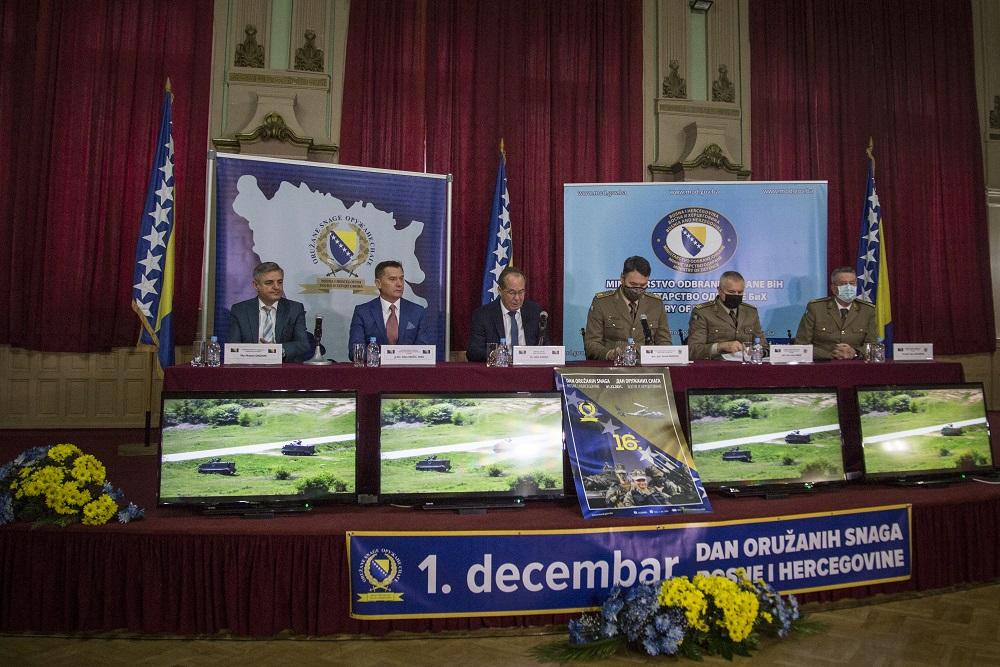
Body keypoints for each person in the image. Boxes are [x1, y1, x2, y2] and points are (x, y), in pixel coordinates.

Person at [584, 255, 671, 361]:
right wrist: (609, 354)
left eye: (642, 285)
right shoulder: (602, 303)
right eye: (633, 284)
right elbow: (591, 344)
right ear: (622, 278)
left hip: (647, 370)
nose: (637, 289)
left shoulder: (656, 304)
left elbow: (664, 343)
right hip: (612, 369)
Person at [227, 261, 311, 362]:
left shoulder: (295, 309)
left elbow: (302, 344)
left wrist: (277, 350)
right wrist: (258, 353)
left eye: (280, 282)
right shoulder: (240, 310)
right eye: (269, 283)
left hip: (283, 368)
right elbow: (234, 346)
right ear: (256, 285)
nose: (276, 287)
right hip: (250, 367)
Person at [349, 260, 434, 358]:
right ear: (378, 283)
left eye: (401, 279)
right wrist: (388, 357)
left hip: (408, 371)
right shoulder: (363, 312)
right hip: (375, 371)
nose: (399, 284)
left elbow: (423, 350)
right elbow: (355, 352)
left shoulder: (418, 312)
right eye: (392, 279)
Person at [794, 266, 876, 360]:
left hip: (855, 366)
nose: (848, 287)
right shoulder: (816, 308)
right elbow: (801, 344)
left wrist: (855, 352)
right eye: (843, 284)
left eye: (852, 283)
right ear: (833, 288)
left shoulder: (867, 310)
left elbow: (873, 345)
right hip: (823, 366)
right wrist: (831, 355)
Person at [467, 266, 545, 362]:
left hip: (528, 370)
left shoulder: (535, 312)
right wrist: (496, 355)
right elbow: (473, 352)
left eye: (521, 292)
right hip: (499, 371)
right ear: (500, 291)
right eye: (512, 292)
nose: (517, 298)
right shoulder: (483, 315)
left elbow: (545, 346)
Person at [687, 270, 768, 360]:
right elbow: (693, 350)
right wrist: (720, 347)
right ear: (720, 291)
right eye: (731, 292)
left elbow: (764, 346)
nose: (736, 295)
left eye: (740, 292)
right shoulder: (703, 312)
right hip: (716, 368)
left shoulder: (751, 312)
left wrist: (756, 352)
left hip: (747, 367)